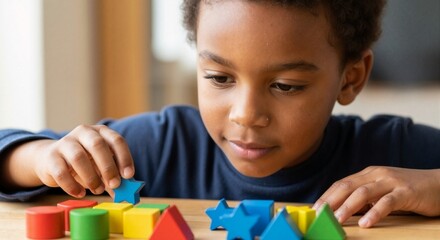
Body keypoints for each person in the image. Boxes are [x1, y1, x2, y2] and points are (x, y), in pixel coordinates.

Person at [0, 0, 439, 229]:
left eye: (286, 86)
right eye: (219, 78)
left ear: (350, 78)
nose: (246, 115)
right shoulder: (166, 144)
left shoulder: (392, 153)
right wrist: (43, 157)